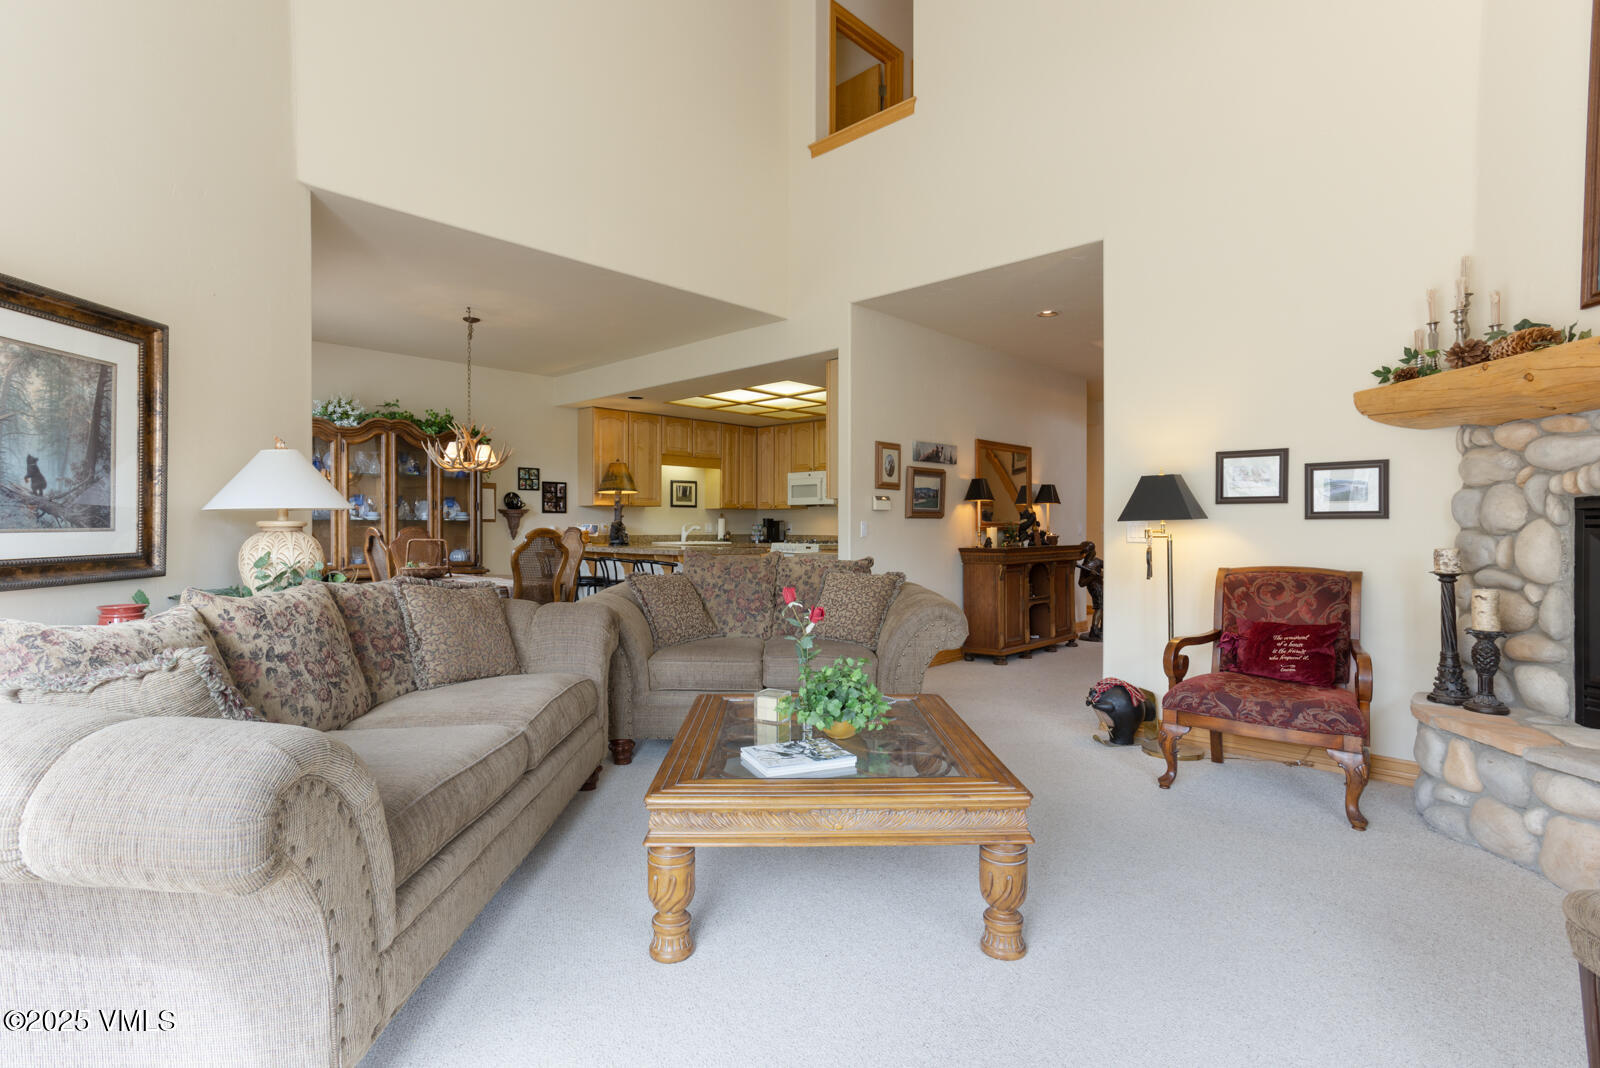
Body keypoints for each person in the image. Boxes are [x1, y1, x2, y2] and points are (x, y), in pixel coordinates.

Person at [1076, 541, 1103, 641]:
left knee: (1104, 607)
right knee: (1099, 607)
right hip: (1095, 588)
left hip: (1101, 586)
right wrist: (1091, 577)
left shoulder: (1097, 561)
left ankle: (1102, 628)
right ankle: (1094, 630)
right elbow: (1081, 583)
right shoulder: (1085, 566)